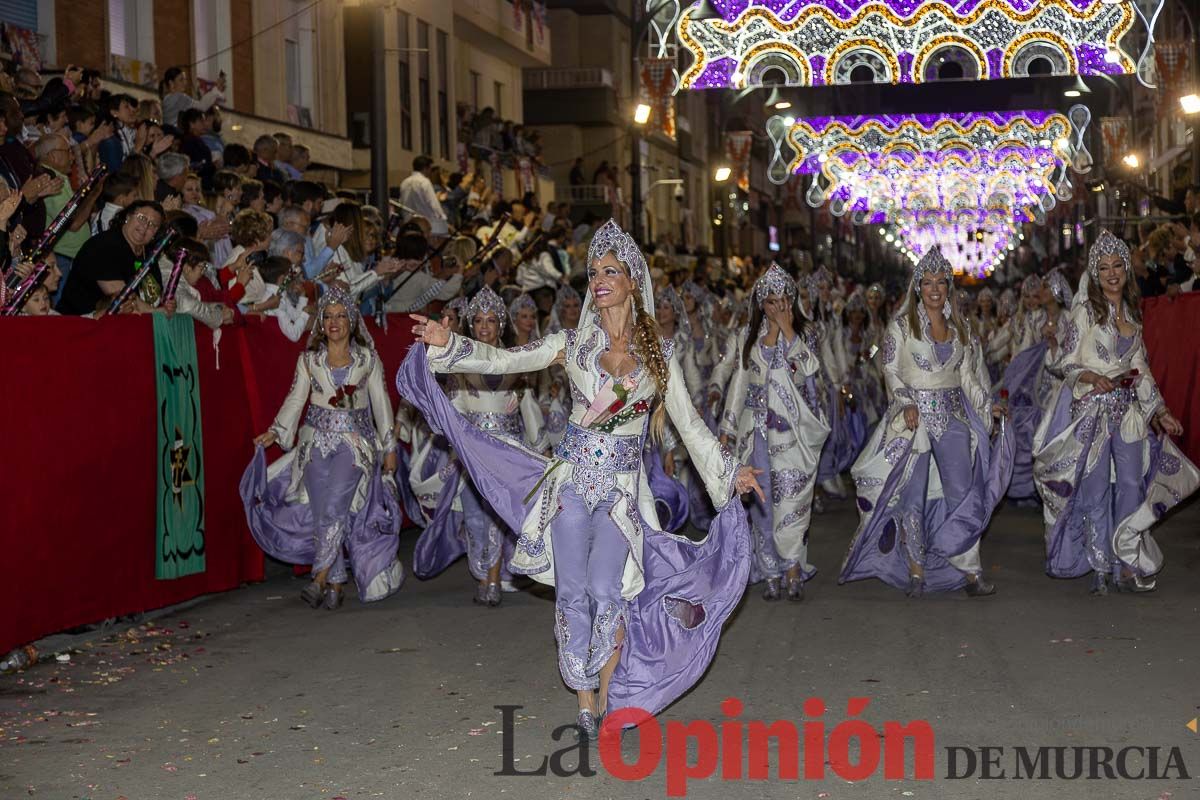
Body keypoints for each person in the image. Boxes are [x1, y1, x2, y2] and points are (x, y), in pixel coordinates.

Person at [398, 218, 763, 738]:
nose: (598, 280)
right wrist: (448, 342)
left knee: (605, 587)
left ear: (632, 281)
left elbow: (691, 425)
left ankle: (610, 696)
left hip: (619, 494)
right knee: (572, 590)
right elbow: (506, 359)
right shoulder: (570, 345)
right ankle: (588, 698)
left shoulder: (657, 361)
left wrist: (730, 473)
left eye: (610, 271)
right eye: (593, 272)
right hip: (570, 486)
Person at [839, 248, 1012, 597]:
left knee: (962, 494)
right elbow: (889, 371)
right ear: (917, 287)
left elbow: (968, 378)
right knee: (912, 496)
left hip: (952, 417)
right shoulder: (900, 328)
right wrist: (904, 402)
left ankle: (970, 571)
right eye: (927, 282)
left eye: (941, 282)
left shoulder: (961, 329)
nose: (934, 289)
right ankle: (916, 572)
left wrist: (987, 405)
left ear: (949, 287)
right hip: (913, 422)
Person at [1033, 231, 1198, 594]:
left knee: (1129, 486)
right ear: (1095, 273)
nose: (1112, 273)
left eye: (1118, 266)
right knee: (1094, 491)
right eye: (1104, 268)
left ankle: (1126, 561)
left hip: (1127, 415)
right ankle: (1099, 565)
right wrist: (1090, 375)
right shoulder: (1084, 312)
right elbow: (1066, 363)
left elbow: (1141, 370)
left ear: (1126, 270)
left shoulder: (1133, 315)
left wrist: (1160, 411)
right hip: (1090, 413)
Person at [243, 287, 405, 609]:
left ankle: (318, 578)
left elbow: (382, 404)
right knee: (323, 512)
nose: (334, 322)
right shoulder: (309, 361)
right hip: (315, 442)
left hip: (355, 445)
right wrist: (275, 432)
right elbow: (295, 399)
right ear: (321, 323)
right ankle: (335, 581)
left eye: (341, 316)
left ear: (352, 321)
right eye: (328, 316)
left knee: (333, 505)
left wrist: (389, 447)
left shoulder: (367, 360)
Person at [412, 287, 547, 605]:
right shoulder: (459, 362)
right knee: (474, 518)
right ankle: (485, 571)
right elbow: (453, 409)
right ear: (471, 325)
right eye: (478, 321)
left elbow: (530, 410)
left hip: (508, 453)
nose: (484, 327)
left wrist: (541, 449)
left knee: (499, 514)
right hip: (473, 454)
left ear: (501, 325)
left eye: (491, 321)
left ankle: (493, 579)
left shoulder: (516, 361)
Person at [720, 264, 830, 601]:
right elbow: (739, 383)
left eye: (783, 302)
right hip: (756, 435)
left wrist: (789, 332)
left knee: (793, 502)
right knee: (764, 505)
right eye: (770, 302)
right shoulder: (746, 337)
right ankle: (770, 572)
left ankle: (793, 567)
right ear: (760, 305)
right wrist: (727, 426)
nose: (777, 308)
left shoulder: (805, 335)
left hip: (793, 437)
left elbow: (812, 373)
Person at [56, 200, 165, 315]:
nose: (145, 226)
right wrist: (155, 311)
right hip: (82, 322)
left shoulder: (148, 253)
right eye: (142, 218)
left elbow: (155, 292)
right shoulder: (103, 245)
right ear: (128, 216)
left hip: (125, 322)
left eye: (153, 225)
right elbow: (122, 297)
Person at [398, 155, 449, 237]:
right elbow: (433, 204)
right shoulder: (424, 182)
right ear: (426, 168)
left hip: (408, 223)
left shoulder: (405, 182)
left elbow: (401, 201)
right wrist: (443, 218)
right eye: (430, 169)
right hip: (426, 224)